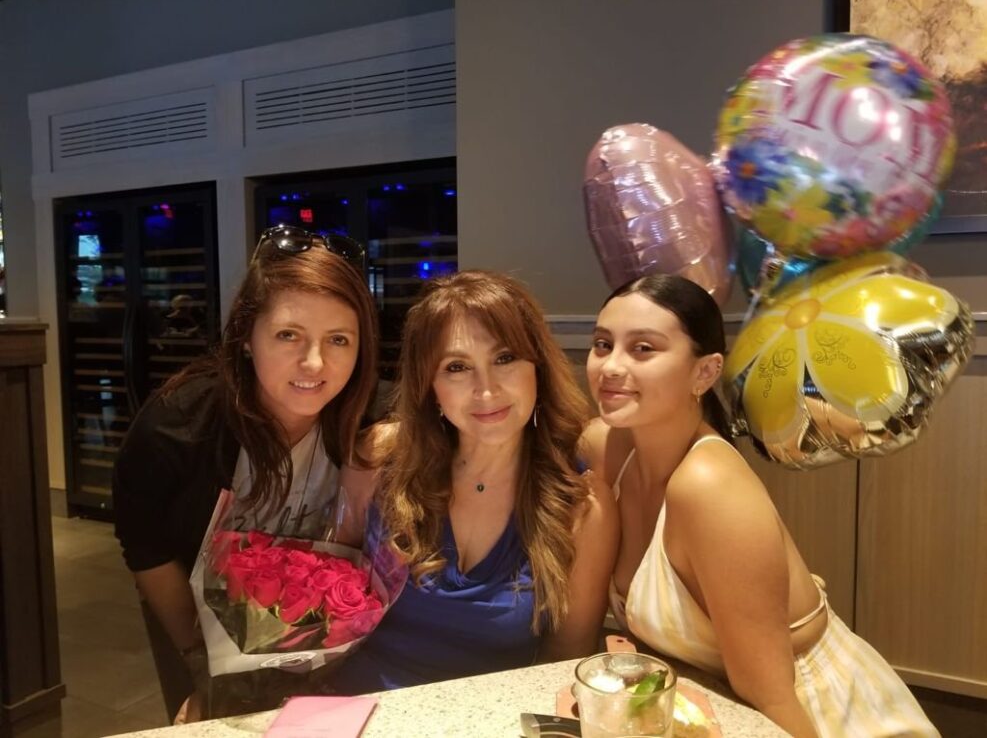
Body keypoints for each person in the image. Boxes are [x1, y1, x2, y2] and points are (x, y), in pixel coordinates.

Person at [581, 274, 938, 738]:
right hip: (711, 708)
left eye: (643, 349)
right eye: (603, 344)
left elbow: (769, 694)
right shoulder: (610, 448)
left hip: (815, 714)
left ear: (705, 372)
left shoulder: (708, 487)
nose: (611, 366)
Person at [112, 225, 378, 722]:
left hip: (333, 662)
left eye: (338, 339)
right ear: (247, 338)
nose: (314, 362)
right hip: (198, 633)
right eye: (288, 335)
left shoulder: (370, 419)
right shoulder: (178, 425)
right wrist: (201, 664)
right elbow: (145, 543)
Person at [331, 270, 619, 693]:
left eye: (505, 358)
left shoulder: (584, 508)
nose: (486, 389)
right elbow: (324, 600)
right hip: (349, 707)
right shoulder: (378, 459)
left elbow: (563, 665)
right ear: (430, 387)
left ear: (537, 367)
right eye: (457, 367)